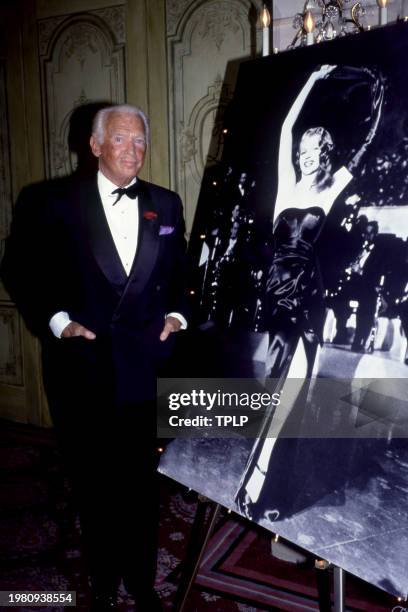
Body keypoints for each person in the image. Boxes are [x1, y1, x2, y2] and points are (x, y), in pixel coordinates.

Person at [1, 104, 188, 610]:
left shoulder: (166, 205)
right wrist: (59, 322)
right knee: (94, 483)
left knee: (142, 485)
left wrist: (178, 315)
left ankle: (143, 582)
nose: (133, 151)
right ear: (95, 145)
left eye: (140, 142)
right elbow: (19, 269)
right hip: (81, 370)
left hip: (146, 370)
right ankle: (104, 580)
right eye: (122, 141)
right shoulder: (49, 202)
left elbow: (183, 276)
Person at [234, 64, 384, 521]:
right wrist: (311, 79)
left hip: (307, 304)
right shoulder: (286, 187)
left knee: (291, 396)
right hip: (276, 300)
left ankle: (261, 488)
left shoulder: (333, 186)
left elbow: (366, 143)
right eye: (302, 152)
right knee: (274, 394)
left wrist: (378, 98)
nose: (305, 158)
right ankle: (265, 484)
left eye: (313, 153)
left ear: (327, 155)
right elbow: (285, 128)